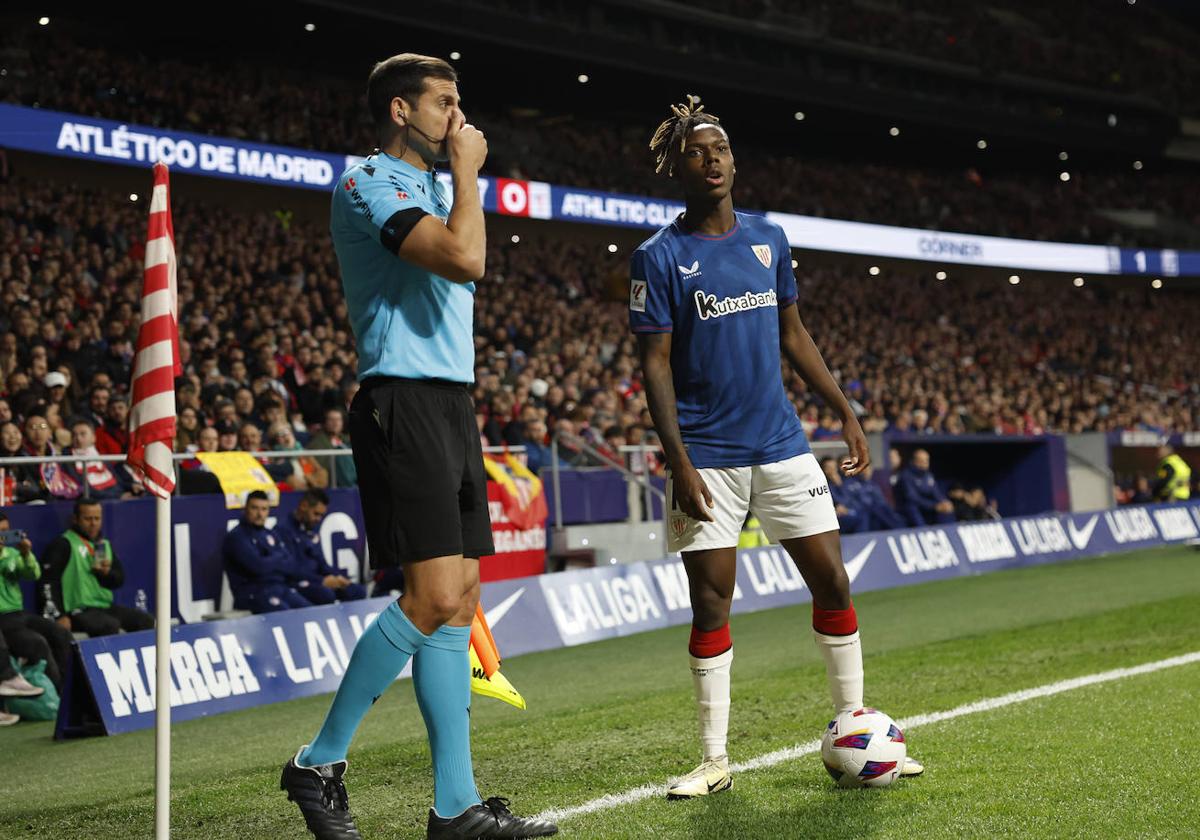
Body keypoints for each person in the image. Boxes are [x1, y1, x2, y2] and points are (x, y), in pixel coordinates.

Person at [279, 54, 555, 840]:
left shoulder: (437, 187)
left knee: (459, 603)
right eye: (443, 103)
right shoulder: (371, 183)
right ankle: (318, 760)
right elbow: (466, 258)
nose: (457, 117)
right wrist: (469, 172)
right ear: (400, 110)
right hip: (399, 400)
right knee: (432, 598)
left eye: (459, 103)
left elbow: (467, 252)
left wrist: (460, 177)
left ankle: (455, 808)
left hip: (450, 401)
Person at [630, 96, 921, 800]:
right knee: (712, 603)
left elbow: (795, 335)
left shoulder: (769, 239)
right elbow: (655, 365)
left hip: (784, 445)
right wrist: (678, 460)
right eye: (698, 151)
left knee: (833, 582)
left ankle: (857, 726)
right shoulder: (658, 257)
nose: (713, 159)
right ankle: (713, 761)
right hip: (709, 456)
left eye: (722, 148)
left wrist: (845, 413)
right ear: (678, 165)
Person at [40, 499, 154, 636]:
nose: (93, 524)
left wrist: (106, 574)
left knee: (145, 620)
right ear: (75, 519)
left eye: (97, 518)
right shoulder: (63, 544)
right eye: (87, 519)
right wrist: (58, 615)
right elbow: (48, 581)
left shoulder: (104, 544)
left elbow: (119, 579)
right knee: (108, 625)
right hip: (77, 609)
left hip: (103, 606)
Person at [223, 491, 331, 612]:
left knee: (310, 613)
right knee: (286, 617)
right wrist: (278, 558)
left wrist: (268, 560)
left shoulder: (270, 534)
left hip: (280, 588)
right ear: (245, 509)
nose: (260, 514)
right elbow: (258, 567)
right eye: (255, 508)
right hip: (252, 593)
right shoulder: (237, 537)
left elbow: (290, 565)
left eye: (264, 509)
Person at [276, 489, 366, 603]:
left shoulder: (311, 529)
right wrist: (321, 580)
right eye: (316, 514)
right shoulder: (282, 530)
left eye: (321, 515)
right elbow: (291, 570)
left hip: (318, 581)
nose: (318, 519)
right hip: (297, 582)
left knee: (357, 591)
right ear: (303, 506)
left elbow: (321, 562)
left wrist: (337, 577)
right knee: (325, 594)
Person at [0, 517, 54, 698]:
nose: (2, 537)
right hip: (3, 618)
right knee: (36, 642)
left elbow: (33, 574)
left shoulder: (13, 554)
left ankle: (68, 694)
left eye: (5, 531)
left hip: (20, 614)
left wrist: (26, 554)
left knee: (61, 634)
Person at [894, 448, 955, 527]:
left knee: (947, 508)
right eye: (921, 461)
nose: (924, 464)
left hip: (928, 508)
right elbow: (913, 498)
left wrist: (944, 502)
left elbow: (936, 492)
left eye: (926, 461)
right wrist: (934, 506)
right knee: (911, 506)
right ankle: (922, 529)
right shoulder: (905, 476)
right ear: (913, 462)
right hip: (911, 509)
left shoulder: (928, 475)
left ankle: (951, 532)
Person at [308, 407, 357, 488]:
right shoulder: (316, 443)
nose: (335, 423)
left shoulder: (349, 440)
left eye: (338, 419)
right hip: (333, 481)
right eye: (331, 420)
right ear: (325, 422)